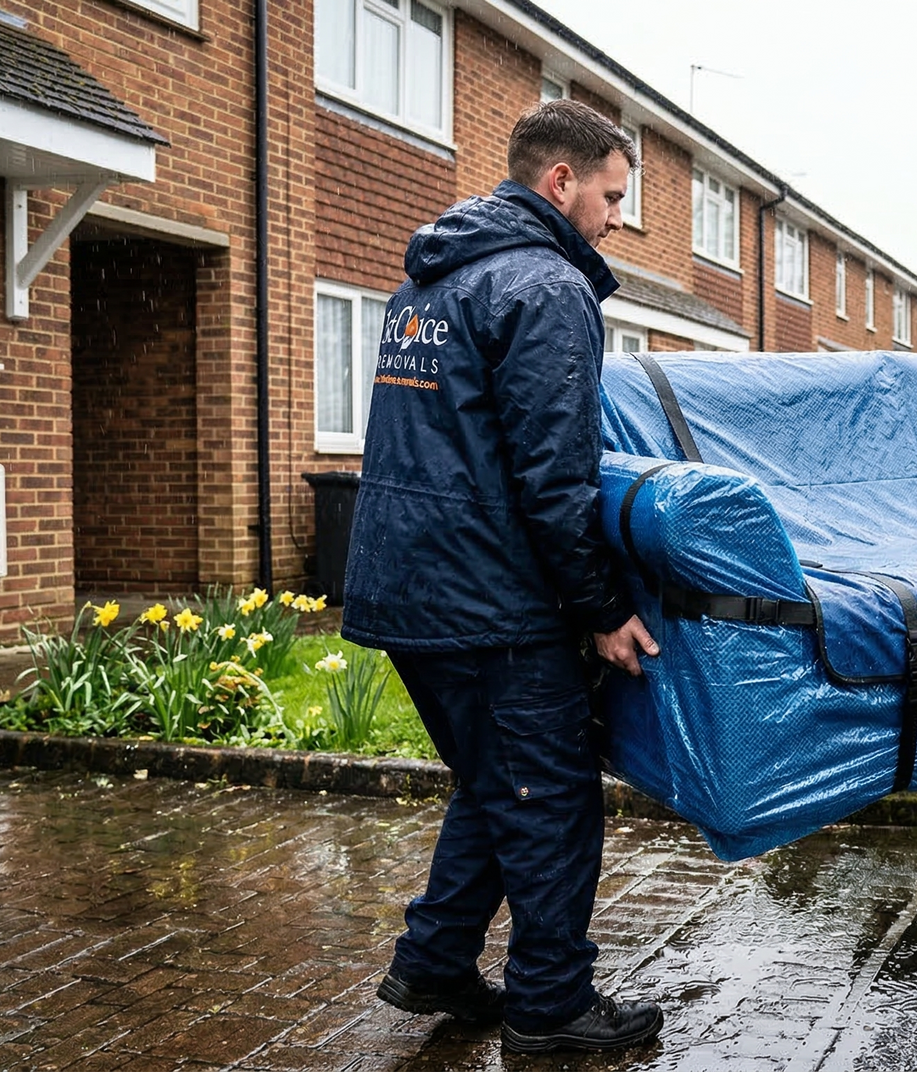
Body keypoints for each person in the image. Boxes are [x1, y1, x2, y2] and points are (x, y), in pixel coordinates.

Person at [341, 99, 664, 1054]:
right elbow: (553, 473)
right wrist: (603, 606)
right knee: (550, 801)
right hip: (490, 603)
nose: (613, 220)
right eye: (610, 197)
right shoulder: (544, 287)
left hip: (406, 588)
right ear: (560, 183)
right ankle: (551, 1007)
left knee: (496, 784)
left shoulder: (428, 284)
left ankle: (437, 960)